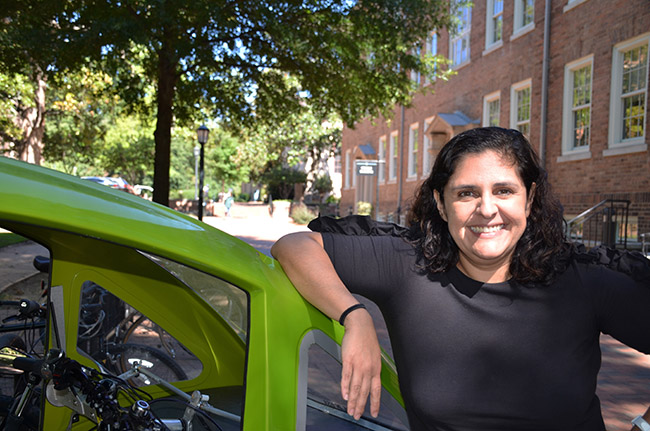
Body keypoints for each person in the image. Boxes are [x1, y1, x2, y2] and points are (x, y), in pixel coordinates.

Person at [271, 127, 650, 431]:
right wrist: (354, 315)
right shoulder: (409, 265)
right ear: (440, 202)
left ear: (529, 199)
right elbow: (295, 245)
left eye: (504, 190)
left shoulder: (584, 279)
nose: (487, 210)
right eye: (467, 193)